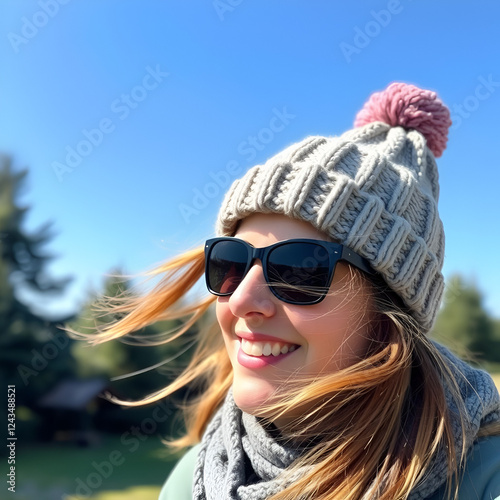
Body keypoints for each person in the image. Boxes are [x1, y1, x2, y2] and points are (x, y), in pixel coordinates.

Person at [74, 82, 500, 499]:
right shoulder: (197, 477)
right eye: (231, 263)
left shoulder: (483, 477)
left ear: (389, 310)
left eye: (298, 269)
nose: (240, 300)